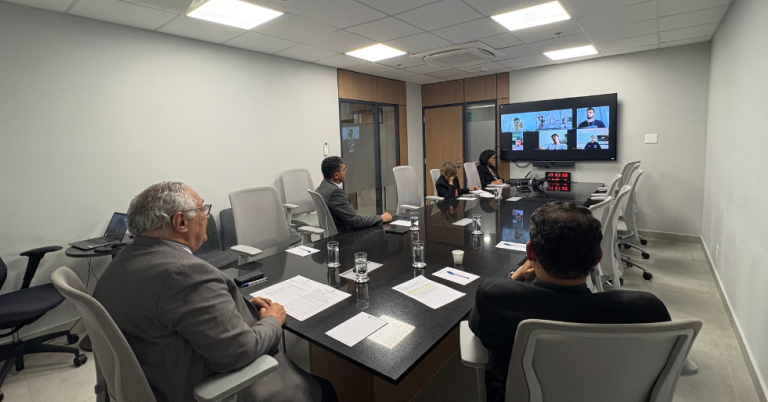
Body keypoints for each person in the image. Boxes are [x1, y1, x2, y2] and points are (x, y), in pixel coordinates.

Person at [93, 182, 337, 402]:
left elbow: (172, 314)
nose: (207, 216)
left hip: (156, 376)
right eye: (203, 209)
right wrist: (272, 320)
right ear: (180, 221)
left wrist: (242, 307)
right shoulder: (184, 273)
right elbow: (240, 352)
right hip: (205, 387)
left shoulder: (123, 260)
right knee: (325, 389)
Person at [468, 202, 671, 402]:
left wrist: (515, 279)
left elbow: (478, 326)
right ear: (597, 258)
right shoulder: (647, 310)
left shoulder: (495, 299)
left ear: (531, 253)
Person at [316, 156, 391, 232]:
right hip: (345, 235)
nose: (346, 171)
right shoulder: (335, 193)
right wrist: (380, 218)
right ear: (336, 175)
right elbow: (355, 222)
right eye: (344, 169)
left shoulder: (322, 187)